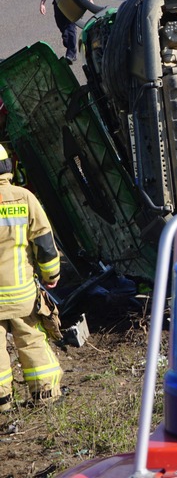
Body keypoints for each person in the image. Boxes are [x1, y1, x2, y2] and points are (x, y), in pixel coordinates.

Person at [0, 143, 64, 411]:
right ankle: (45, 393)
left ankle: (2, 402)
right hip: (21, 293)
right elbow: (44, 242)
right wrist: (51, 274)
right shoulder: (24, 199)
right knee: (31, 339)